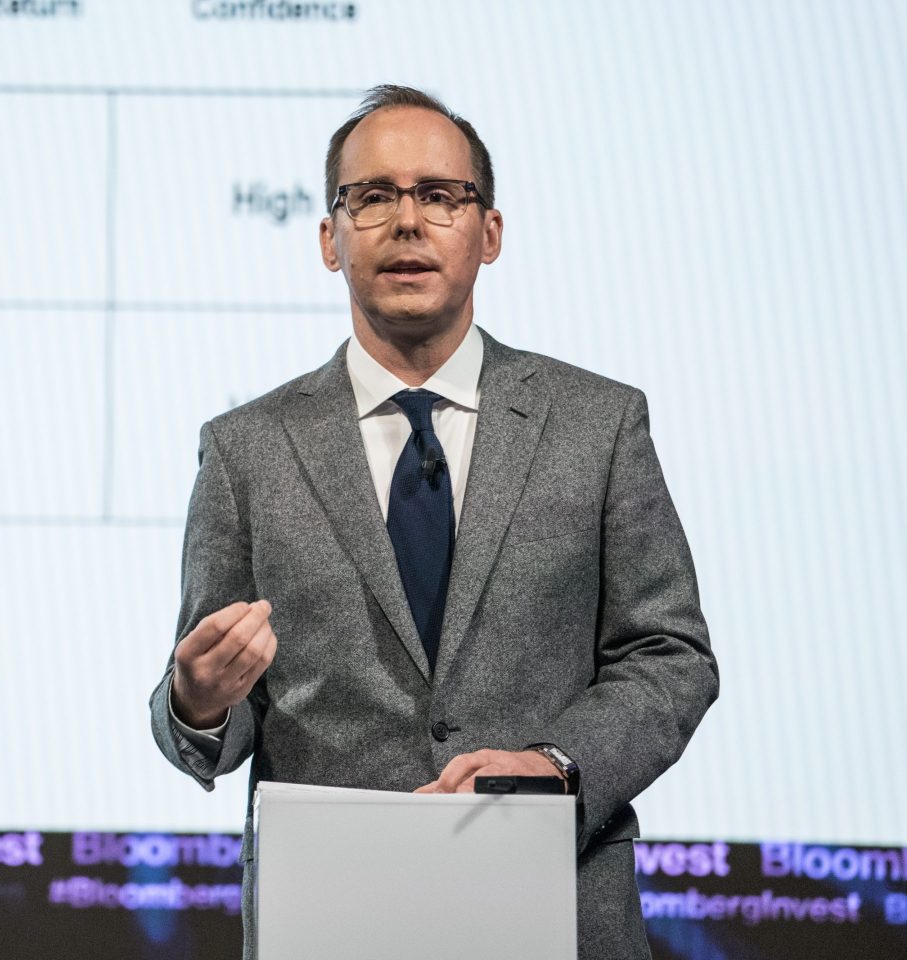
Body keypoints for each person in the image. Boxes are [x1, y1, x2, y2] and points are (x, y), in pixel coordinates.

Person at [148, 84, 718, 959]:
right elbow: (207, 707)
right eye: (372, 196)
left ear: (489, 233)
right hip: (331, 920)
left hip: (558, 911)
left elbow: (669, 655)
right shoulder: (246, 449)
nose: (406, 221)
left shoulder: (598, 423)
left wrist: (561, 765)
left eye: (439, 195)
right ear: (329, 241)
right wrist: (197, 701)